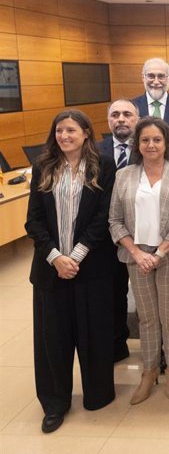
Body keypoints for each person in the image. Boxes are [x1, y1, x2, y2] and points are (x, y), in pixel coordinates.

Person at [26, 109, 116, 434]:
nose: (64, 136)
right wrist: (56, 257)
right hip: (51, 270)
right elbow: (33, 219)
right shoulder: (43, 167)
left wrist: (75, 256)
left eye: (71, 131)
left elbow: (103, 217)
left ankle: (98, 394)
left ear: (86, 134)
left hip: (90, 266)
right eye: (59, 131)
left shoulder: (103, 167)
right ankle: (54, 403)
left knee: (92, 333)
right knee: (54, 338)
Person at [109, 117, 169, 405]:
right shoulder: (124, 176)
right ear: (137, 144)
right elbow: (115, 220)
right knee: (146, 317)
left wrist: (159, 253)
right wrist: (136, 253)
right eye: (144, 140)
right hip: (136, 256)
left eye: (156, 139)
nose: (150, 145)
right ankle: (148, 371)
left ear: (166, 142)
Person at [97, 99, 139, 363]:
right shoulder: (94, 149)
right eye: (115, 115)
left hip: (142, 234)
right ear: (109, 120)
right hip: (104, 236)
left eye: (127, 114)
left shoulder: (149, 146)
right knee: (113, 291)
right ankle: (116, 344)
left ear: (137, 118)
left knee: (147, 295)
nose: (121, 119)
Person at [131, 58, 169, 137]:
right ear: (143, 78)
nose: (156, 82)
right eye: (151, 76)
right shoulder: (132, 107)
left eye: (161, 76)